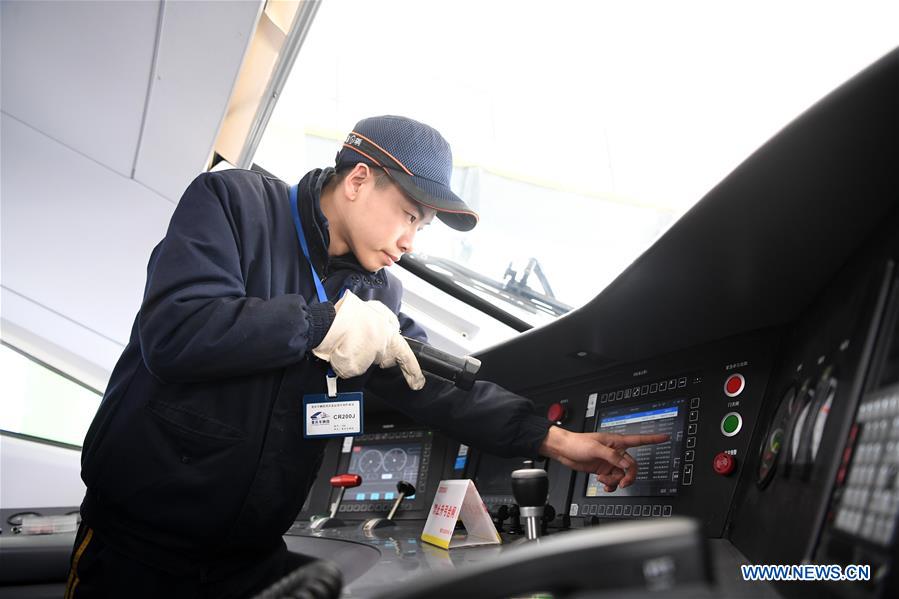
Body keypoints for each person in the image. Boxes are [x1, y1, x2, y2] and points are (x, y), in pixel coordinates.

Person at [66, 115, 668, 598]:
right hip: (138, 549)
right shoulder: (234, 203)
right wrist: (321, 323)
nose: (409, 243)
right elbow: (177, 333)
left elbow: (428, 380)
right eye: (409, 215)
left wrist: (557, 441)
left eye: (422, 227)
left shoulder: (377, 291)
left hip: (245, 560)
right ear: (357, 181)